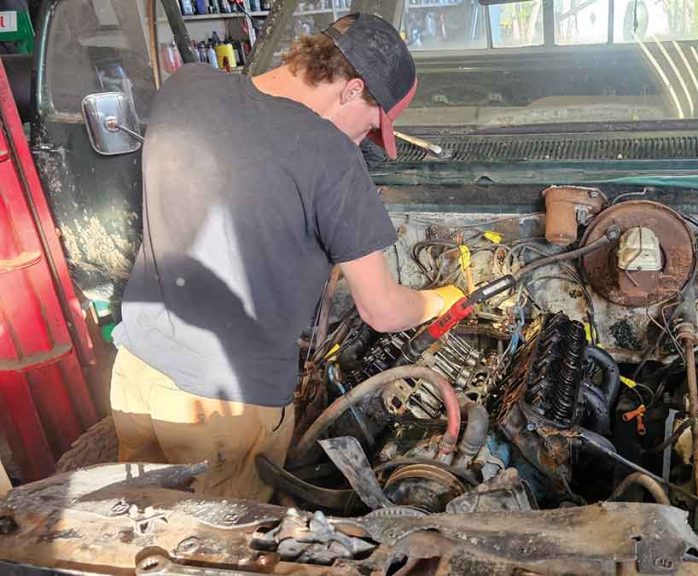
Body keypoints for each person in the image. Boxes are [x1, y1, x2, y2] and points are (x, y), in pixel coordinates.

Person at [109, 14, 461, 501]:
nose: (364, 140)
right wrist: (445, 298)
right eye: (372, 125)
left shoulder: (187, 84)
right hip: (223, 409)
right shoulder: (331, 156)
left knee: (135, 527)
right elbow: (381, 311)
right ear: (351, 89)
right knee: (221, 555)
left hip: (137, 373)